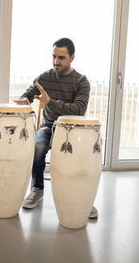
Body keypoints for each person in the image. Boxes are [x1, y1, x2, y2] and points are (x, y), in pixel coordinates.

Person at [14, 38, 98, 219]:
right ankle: (38, 188)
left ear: (72, 58)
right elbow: (28, 94)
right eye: (53, 56)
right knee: (37, 148)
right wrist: (24, 100)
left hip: (73, 130)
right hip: (48, 126)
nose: (55, 62)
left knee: (82, 157)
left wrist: (50, 102)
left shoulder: (81, 82)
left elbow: (78, 109)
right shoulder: (44, 77)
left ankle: (84, 198)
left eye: (61, 57)